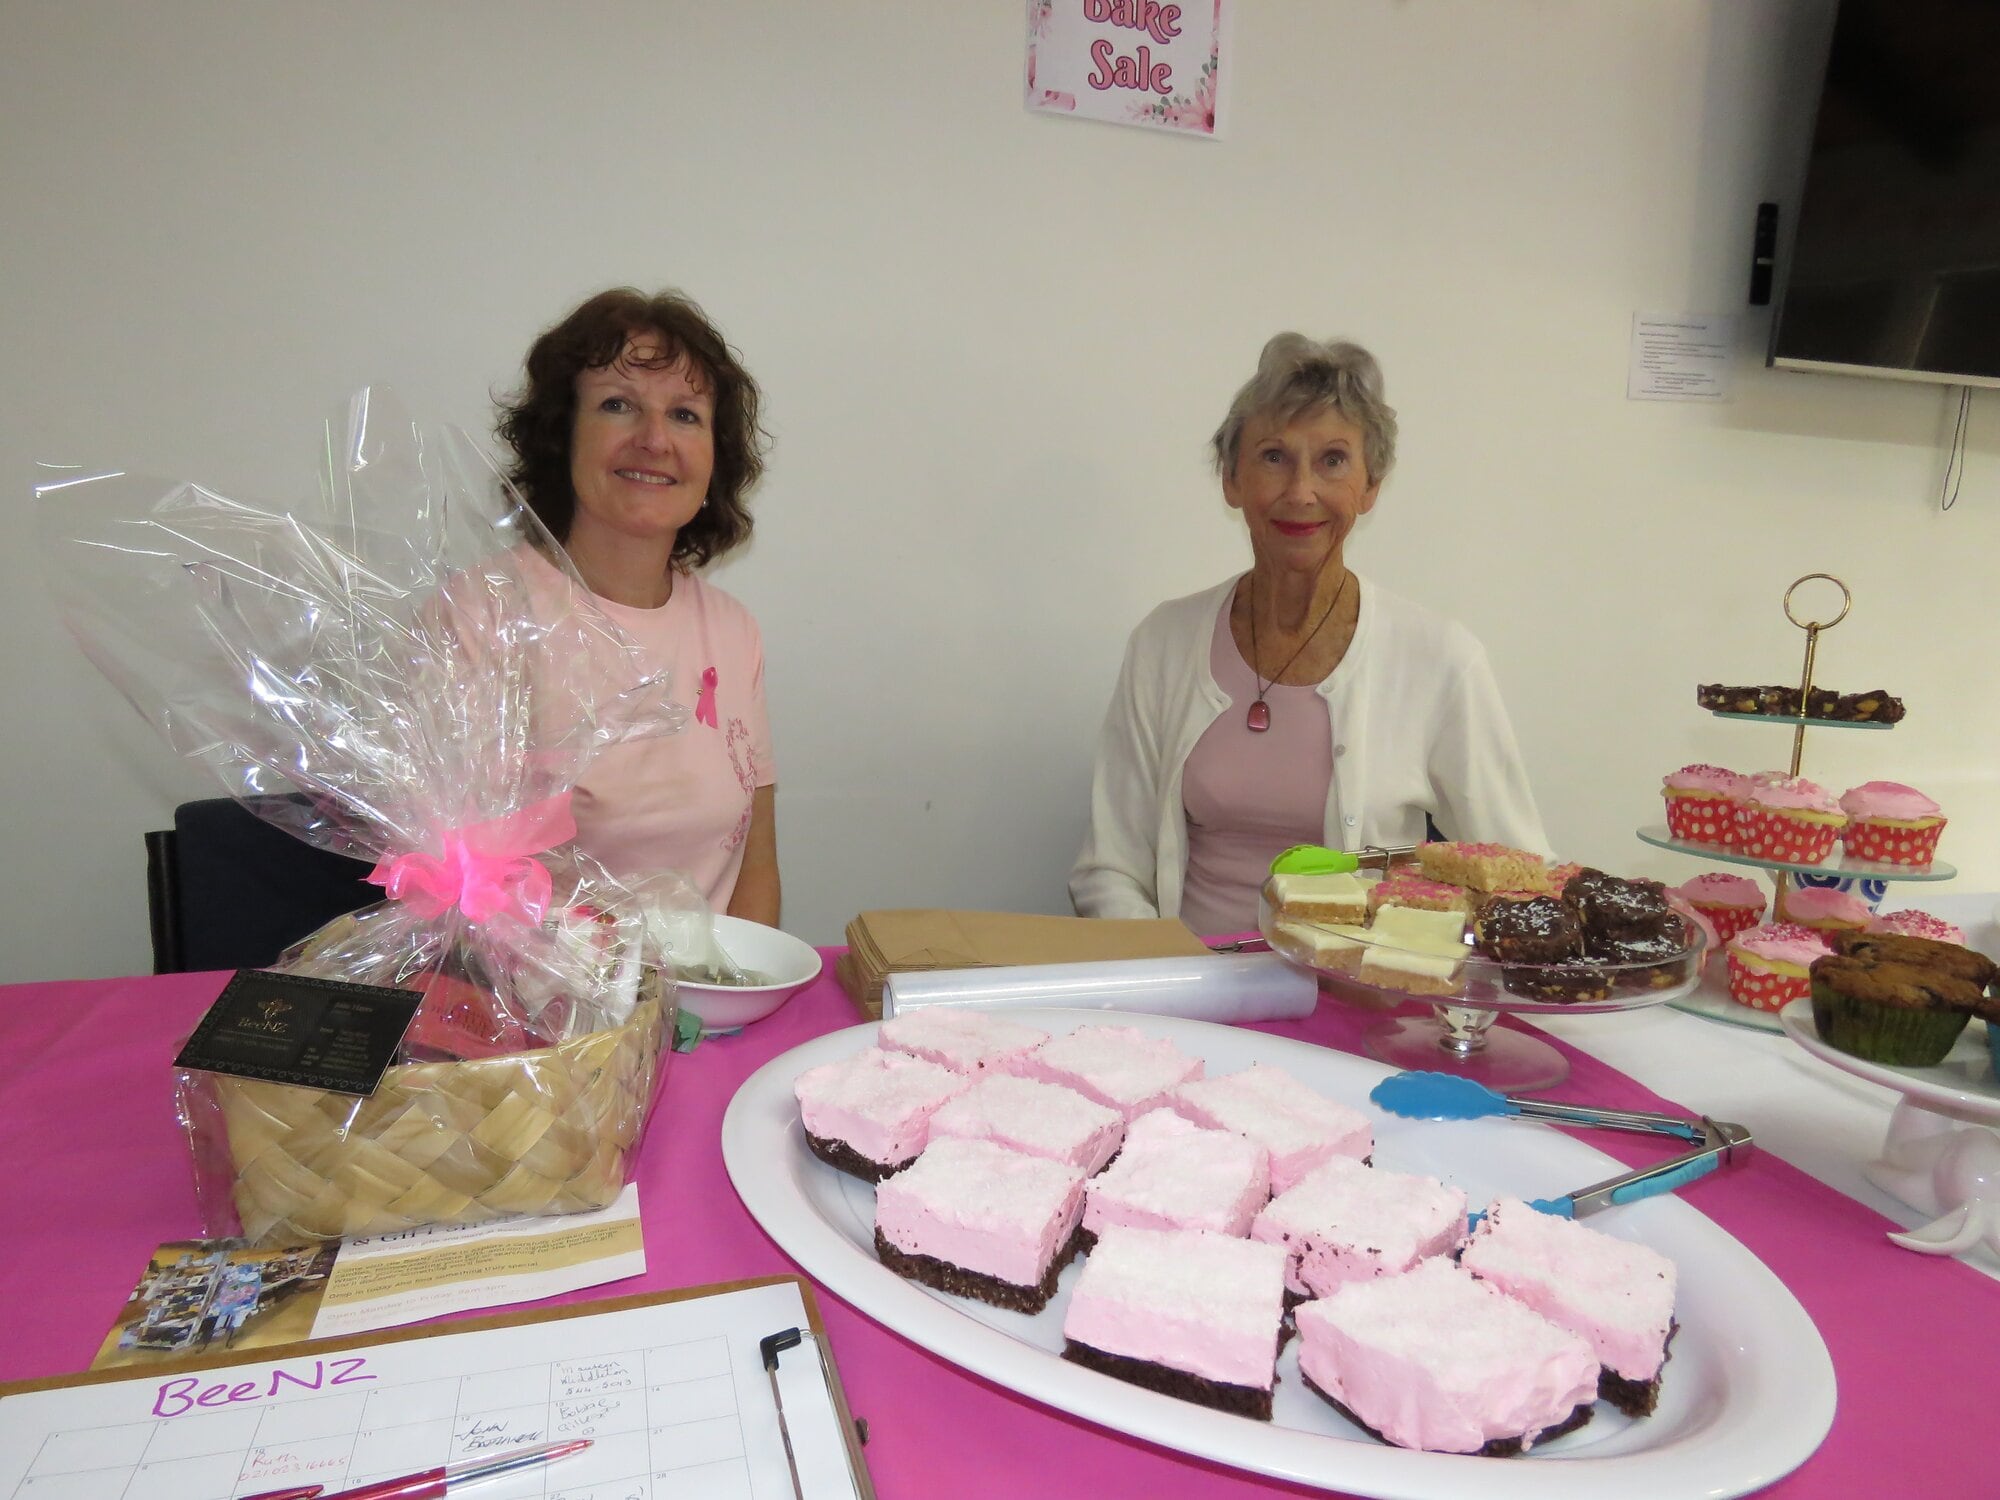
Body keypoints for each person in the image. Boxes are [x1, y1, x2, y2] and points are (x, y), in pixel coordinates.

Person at [1069, 333, 1546, 934]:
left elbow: (1519, 878)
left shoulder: (1442, 661)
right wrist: (1170, 969)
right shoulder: (1163, 643)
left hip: (1360, 987)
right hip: (1186, 979)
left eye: (1333, 461)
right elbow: (1110, 871)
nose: (1300, 492)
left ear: (1370, 486)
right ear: (1231, 479)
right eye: (1273, 457)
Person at [497, 288, 780, 924]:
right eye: (617, 405)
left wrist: (738, 978)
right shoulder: (481, 617)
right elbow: (460, 890)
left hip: (710, 986)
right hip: (539, 985)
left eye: (685, 414)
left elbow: (756, 862)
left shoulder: (734, 631)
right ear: (562, 436)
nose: (654, 440)